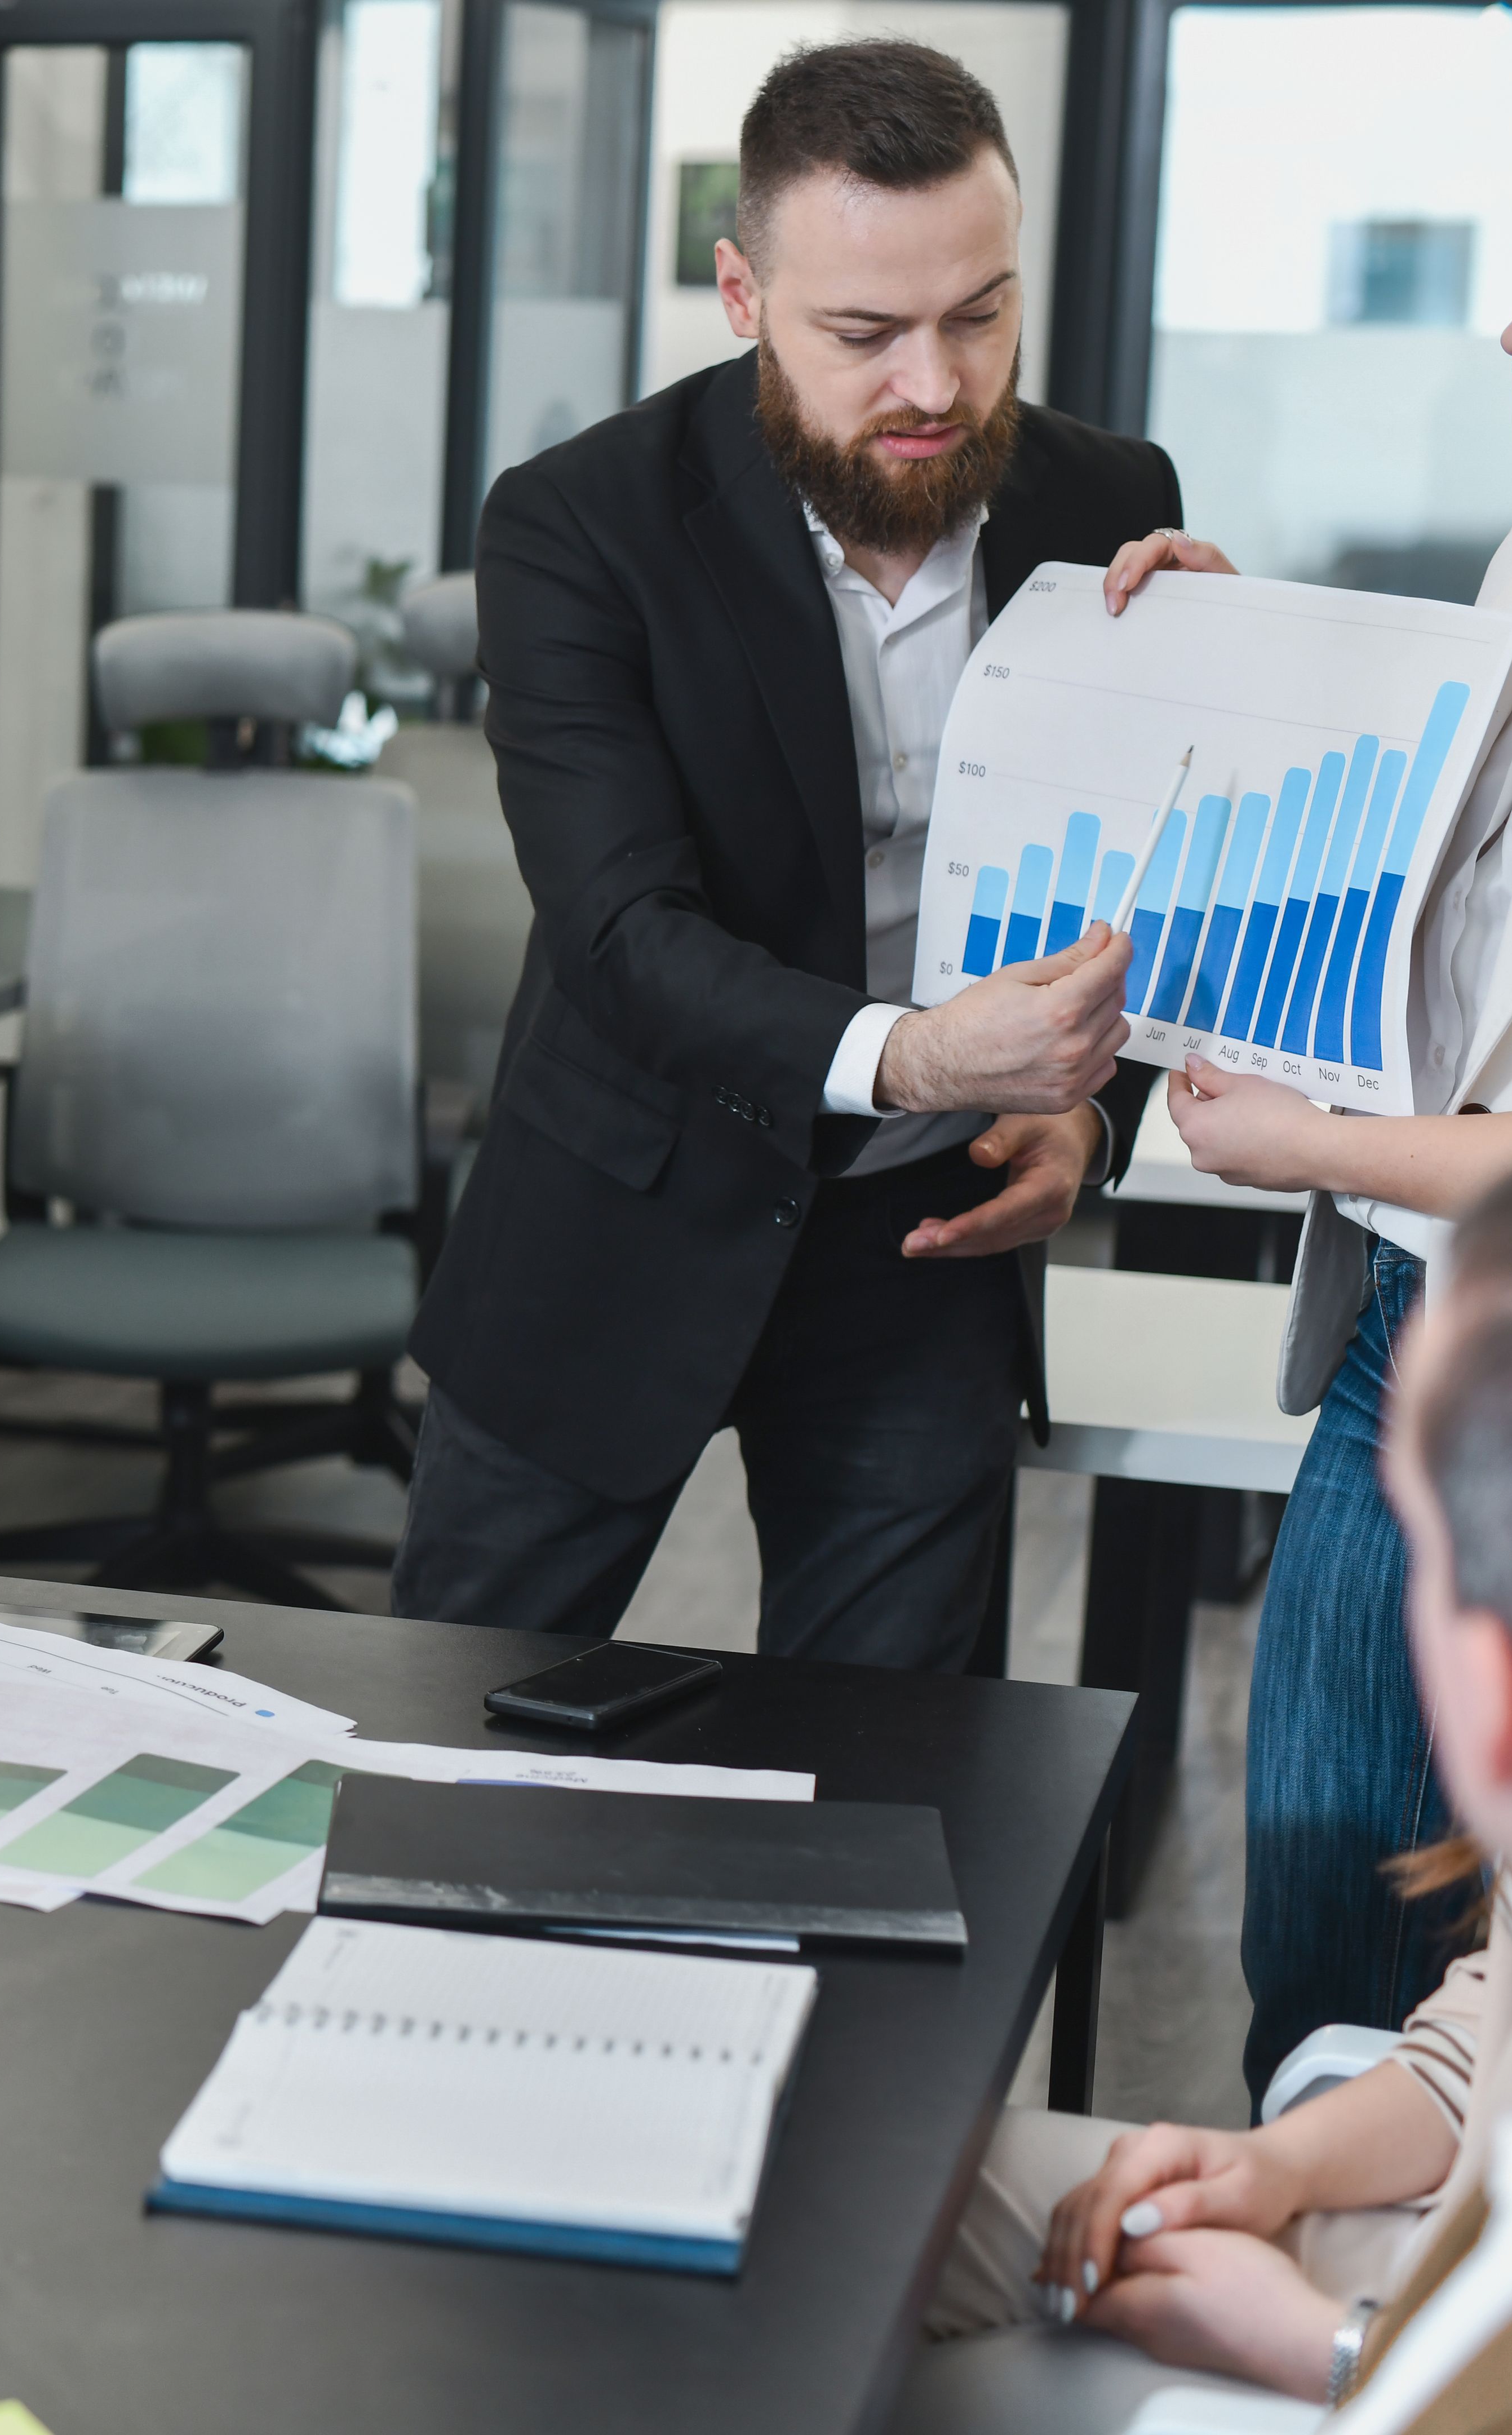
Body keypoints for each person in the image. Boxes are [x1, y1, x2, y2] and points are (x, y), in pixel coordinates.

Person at [393, 39, 1173, 1668]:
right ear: (743, 294)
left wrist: (1085, 1116)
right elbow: (620, 933)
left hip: (921, 1243)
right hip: (623, 1214)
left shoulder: (1111, 500)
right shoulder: (576, 525)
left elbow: (1147, 874)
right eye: (865, 335)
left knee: (884, 1792)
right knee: (453, 1736)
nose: (936, 386)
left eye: (980, 315)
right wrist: (930, 1055)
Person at [1107, 61, 1512, 2099]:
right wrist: (1232, 655)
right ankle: (1296, 2267)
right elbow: (1442, 875)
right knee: (1330, 1905)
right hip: (1410, 1316)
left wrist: (1317, 1145)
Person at [904, 1132, 1512, 2429]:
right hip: (1440, 2255)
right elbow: (1480, 2040)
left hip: (1424, 2332)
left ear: (1504, 1703)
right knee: (889, 2204)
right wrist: (1267, 2168)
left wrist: (1330, 2352)